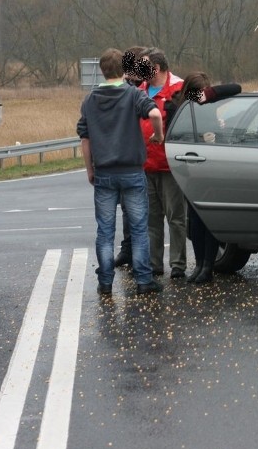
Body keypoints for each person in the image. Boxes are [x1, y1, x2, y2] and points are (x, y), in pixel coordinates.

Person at [76, 48, 163, 295]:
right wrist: (158, 134)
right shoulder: (133, 94)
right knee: (138, 228)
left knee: (105, 231)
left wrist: (89, 169)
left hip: (104, 172)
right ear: (124, 70)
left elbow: (85, 138)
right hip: (132, 171)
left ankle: (105, 281)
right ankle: (144, 280)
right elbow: (155, 113)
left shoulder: (90, 100)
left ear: (103, 71)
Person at [164, 72, 242, 283]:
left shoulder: (207, 103)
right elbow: (174, 135)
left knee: (207, 219)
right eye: (199, 93)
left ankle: (207, 266)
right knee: (196, 221)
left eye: (205, 93)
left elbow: (236, 88)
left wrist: (209, 94)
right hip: (189, 167)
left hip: (208, 166)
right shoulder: (176, 107)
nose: (202, 98)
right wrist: (200, 137)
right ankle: (199, 264)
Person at [138, 48, 187, 279]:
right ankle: (154, 264)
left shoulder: (180, 88)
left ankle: (178, 264)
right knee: (151, 220)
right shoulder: (140, 91)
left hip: (171, 167)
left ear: (155, 68)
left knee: (176, 218)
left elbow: (205, 107)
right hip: (146, 166)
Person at [114, 45, 150, 269]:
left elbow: (191, 95)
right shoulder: (121, 89)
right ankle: (128, 249)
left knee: (154, 212)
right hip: (129, 158)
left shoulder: (160, 85)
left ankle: (152, 257)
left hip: (157, 160)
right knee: (128, 209)